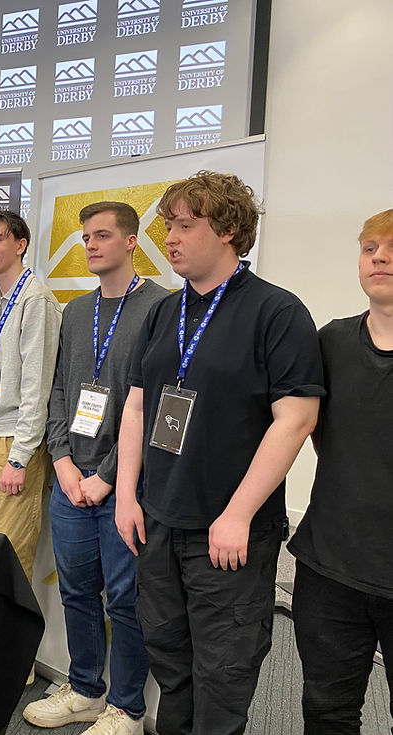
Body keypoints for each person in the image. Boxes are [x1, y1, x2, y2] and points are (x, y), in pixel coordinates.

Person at [114, 171, 324, 735]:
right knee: (172, 665)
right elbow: (136, 406)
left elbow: (297, 417)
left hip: (228, 533)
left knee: (223, 676)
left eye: (185, 225)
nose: (171, 238)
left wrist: (238, 514)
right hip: (158, 522)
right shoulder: (163, 312)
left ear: (229, 229)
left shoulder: (276, 312)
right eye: (168, 226)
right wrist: (127, 496)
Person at [25, 202, 166, 734]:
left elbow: (150, 404)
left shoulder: (161, 307)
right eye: (85, 237)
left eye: (102, 235)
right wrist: (60, 459)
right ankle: (84, 690)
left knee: (126, 602)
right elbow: (59, 389)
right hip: (70, 482)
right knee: (77, 593)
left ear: (132, 241)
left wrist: (106, 477)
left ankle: (127, 709)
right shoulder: (77, 310)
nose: (91, 245)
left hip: (126, 485)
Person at [287, 209, 393, 734]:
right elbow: (316, 431)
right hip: (331, 567)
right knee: (327, 711)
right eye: (370, 246)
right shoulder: (330, 341)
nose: (381, 257)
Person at [0, 210, 61, 582]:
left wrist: (21, 454)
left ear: (21, 245)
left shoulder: (35, 299)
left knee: (12, 564)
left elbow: (36, 385)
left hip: (16, 443)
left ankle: (10, 640)